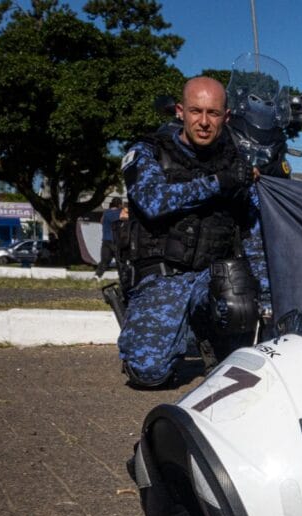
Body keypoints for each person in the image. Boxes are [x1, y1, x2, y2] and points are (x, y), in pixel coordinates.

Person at [117, 76, 262, 388]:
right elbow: (153, 201)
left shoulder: (236, 163)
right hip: (162, 277)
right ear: (180, 111)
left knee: (237, 292)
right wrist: (219, 183)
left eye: (213, 113)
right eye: (196, 111)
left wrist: (264, 294)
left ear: (226, 116)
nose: (204, 122)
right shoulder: (148, 152)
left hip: (212, 278)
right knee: (149, 374)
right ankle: (151, 324)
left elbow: (253, 230)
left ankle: (210, 337)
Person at [94, 197, 122, 278]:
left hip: (106, 240)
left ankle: (97, 276)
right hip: (116, 240)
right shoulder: (121, 212)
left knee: (104, 261)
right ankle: (123, 277)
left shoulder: (106, 212)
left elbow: (101, 221)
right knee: (120, 260)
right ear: (120, 204)